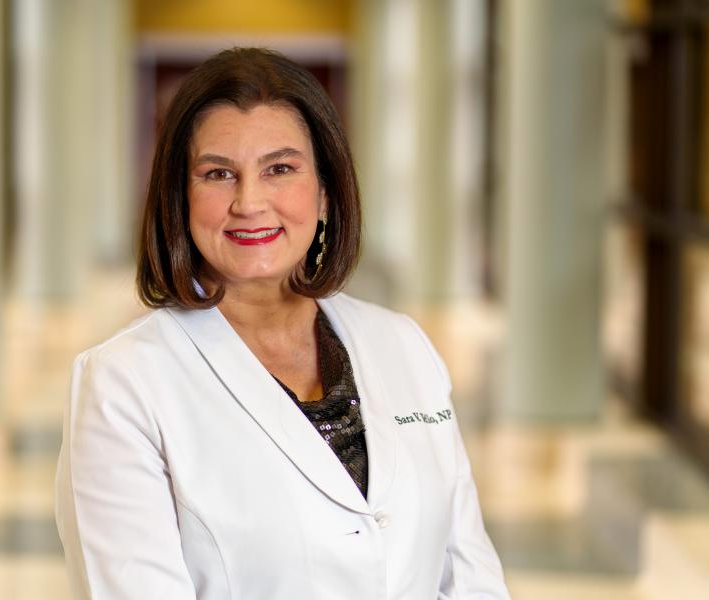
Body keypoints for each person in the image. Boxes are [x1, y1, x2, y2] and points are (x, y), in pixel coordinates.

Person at [55, 47, 510, 599]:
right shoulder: (123, 383)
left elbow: (469, 575)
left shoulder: (402, 344)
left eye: (280, 169)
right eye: (218, 173)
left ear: (324, 192)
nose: (250, 202)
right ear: (180, 198)